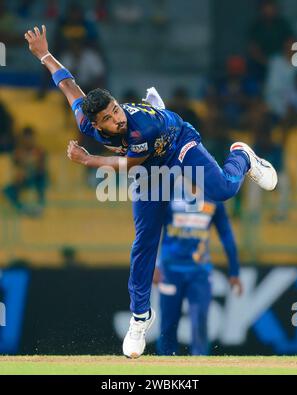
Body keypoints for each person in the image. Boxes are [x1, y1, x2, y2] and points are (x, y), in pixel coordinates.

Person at [25, 25, 277, 359]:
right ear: (95, 124)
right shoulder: (87, 120)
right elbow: (69, 84)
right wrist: (44, 54)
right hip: (148, 165)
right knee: (144, 240)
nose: (117, 118)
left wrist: (88, 160)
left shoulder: (138, 128)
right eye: (109, 118)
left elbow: (130, 164)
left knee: (223, 191)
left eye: (116, 109)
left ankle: (241, 156)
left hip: (174, 141)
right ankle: (141, 316)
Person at [153, 177, 242, 355]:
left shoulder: (214, 198)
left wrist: (234, 271)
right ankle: (164, 368)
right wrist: (154, 264)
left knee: (199, 322)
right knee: (168, 325)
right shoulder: (170, 193)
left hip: (200, 272)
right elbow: (153, 230)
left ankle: (200, 367)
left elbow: (226, 234)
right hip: (171, 270)